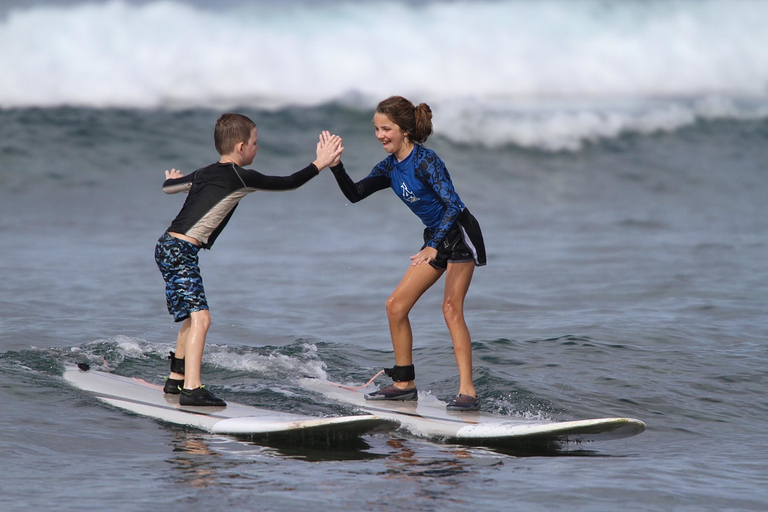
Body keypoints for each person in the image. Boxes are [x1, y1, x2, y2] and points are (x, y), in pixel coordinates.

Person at [156, 112, 343, 407]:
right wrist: (320, 162)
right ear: (241, 147)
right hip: (180, 250)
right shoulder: (240, 176)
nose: (258, 148)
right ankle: (192, 389)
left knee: (192, 318)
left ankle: (176, 380)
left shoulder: (206, 171)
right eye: (255, 143)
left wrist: (173, 180)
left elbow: (170, 188)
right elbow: (289, 182)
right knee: (201, 318)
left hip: (169, 246)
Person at [325, 96, 486, 411]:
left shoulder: (427, 161)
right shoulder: (390, 166)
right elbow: (355, 194)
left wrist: (433, 245)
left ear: (404, 130)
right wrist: (336, 167)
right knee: (396, 306)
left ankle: (468, 391)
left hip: (459, 235)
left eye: (386, 128)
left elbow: (453, 204)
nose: (380, 135)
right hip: (435, 239)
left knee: (451, 309)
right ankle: (404, 384)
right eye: (376, 128)